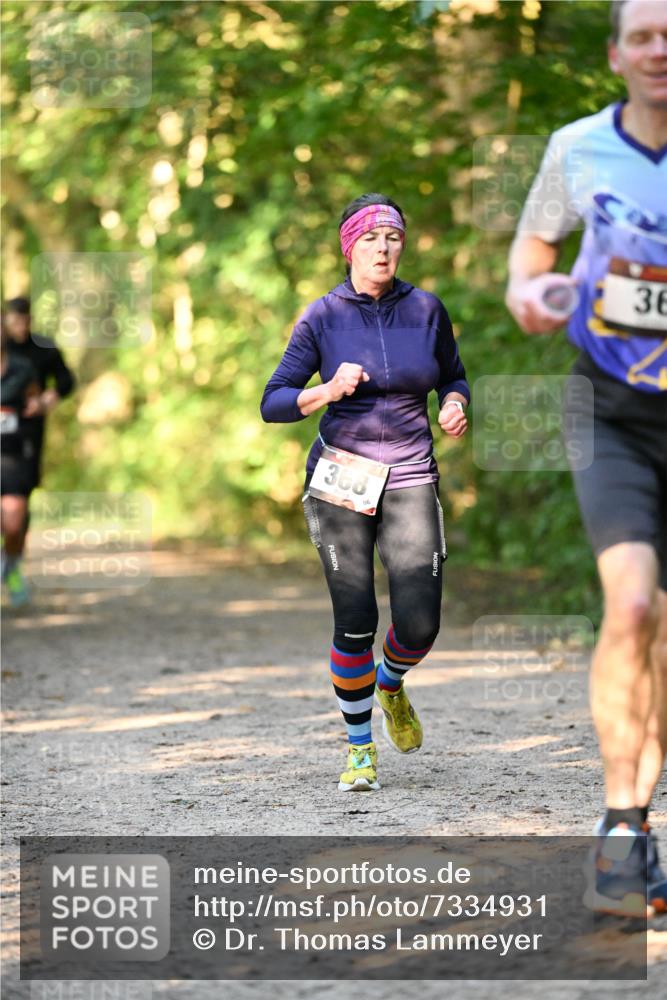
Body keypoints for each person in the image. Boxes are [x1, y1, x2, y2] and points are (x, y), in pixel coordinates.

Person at [506, 0, 667, 915]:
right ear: (614, 55)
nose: (657, 50)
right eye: (641, 35)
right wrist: (533, 294)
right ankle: (619, 824)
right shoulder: (576, 147)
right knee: (633, 603)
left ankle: (641, 823)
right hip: (609, 409)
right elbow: (528, 259)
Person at [261, 193, 469, 791]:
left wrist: (455, 402)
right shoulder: (323, 317)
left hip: (408, 472)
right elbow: (273, 402)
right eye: (373, 238)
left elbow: (453, 374)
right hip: (342, 478)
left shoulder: (426, 309)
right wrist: (325, 390)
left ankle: (391, 683)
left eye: (394, 238)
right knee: (355, 618)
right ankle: (359, 750)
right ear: (350, 245)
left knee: (421, 623)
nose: (384, 248)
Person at [3, 296, 76, 603]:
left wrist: (47, 399)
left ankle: (13, 565)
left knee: (17, 507)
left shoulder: (42, 349)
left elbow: (66, 380)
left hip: (25, 438)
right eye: (15, 320)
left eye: (26, 320)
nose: (21, 326)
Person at [1, 319, 40, 606]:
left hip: (14, 455)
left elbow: (36, 402)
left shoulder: (22, 369)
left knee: (13, 522)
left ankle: (11, 566)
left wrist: (38, 406)